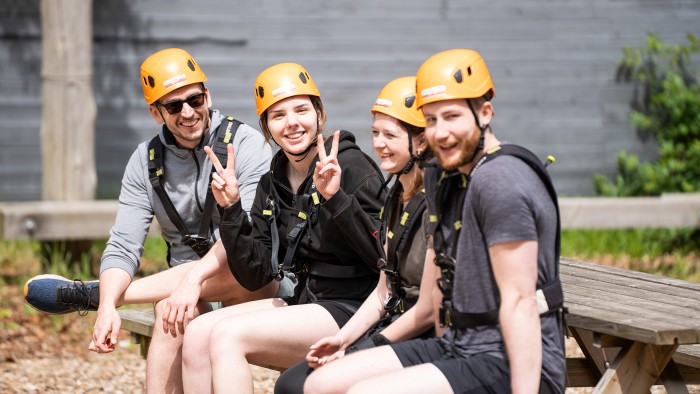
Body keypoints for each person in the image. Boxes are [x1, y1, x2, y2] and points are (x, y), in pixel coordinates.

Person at [304, 48, 567, 394]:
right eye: (431, 120)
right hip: (457, 346)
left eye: (452, 116)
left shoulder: (500, 181)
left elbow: (520, 303)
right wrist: (347, 342)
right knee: (321, 384)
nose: (440, 133)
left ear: (485, 113)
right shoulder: (445, 178)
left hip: (507, 360)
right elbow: (439, 293)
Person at [23, 47, 277, 392]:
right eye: (174, 106)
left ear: (208, 95)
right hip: (181, 290)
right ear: (156, 113)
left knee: (232, 265)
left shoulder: (246, 145)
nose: (188, 112)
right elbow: (124, 243)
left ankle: (92, 294)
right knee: (173, 314)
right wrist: (109, 308)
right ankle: (107, 297)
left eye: (195, 99)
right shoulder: (144, 161)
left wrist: (119, 297)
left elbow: (247, 239)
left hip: (252, 280)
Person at [165, 62, 385, 394]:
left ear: (319, 114)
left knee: (228, 336)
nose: (292, 123)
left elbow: (382, 257)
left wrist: (335, 198)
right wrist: (231, 210)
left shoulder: (352, 167)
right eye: (278, 115)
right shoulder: (273, 181)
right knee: (198, 332)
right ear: (267, 127)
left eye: (301, 110)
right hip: (304, 302)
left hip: (355, 308)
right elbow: (255, 275)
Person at [274, 76, 437, 394]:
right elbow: (383, 289)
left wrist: (368, 346)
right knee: (289, 384)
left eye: (390, 135)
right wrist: (344, 340)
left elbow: (427, 309)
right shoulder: (395, 196)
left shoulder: (434, 202)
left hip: (425, 335)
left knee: (322, 385)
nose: (378, 143)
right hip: (391, 324)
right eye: (376, 132)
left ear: (420, 141)